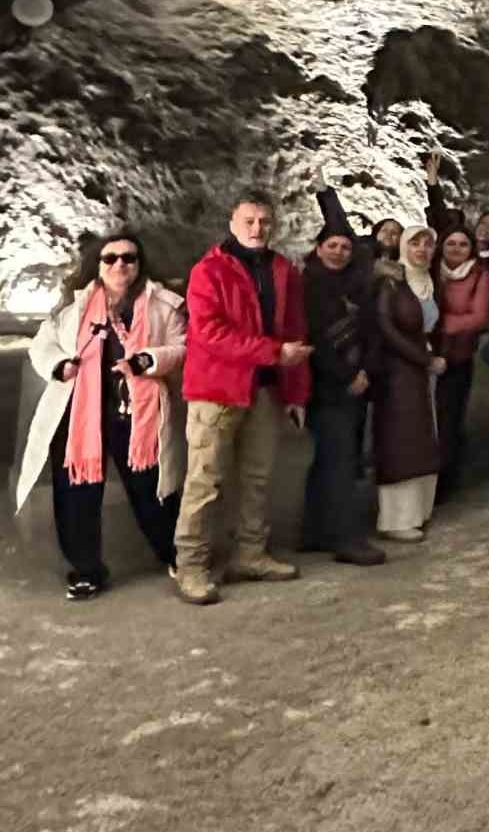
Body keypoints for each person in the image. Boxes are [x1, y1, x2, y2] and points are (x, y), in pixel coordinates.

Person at [16, 233, 187, 600]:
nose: (120, 265)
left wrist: (147, 360)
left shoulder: (162, 304)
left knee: (153, 486)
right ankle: (86, 568)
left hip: (136, 411)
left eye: (129, 258)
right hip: (81, 410)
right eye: (110, 258)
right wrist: (59, 365)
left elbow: (181, 345)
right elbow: (42, 344)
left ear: (140, 263)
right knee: (77, 490)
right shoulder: (73, 307)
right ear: (98, 263)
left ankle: (177, 554)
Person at [173, 191, 312, 605]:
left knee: (257, 478)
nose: (257, 228)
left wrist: (295, 391)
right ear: (232, 223)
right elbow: (209, 333)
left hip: (265, 390)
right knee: (205, 480)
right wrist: (273, 353)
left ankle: (250, 554)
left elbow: (295, 328)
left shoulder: (283, 269)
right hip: (217, 390)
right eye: (249, 220)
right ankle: (191, 566)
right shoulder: (208, 271)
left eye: (265, 221)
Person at [299, 220, 385, 566]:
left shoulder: (356, 286)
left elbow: (370, 330)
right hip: (325, 384)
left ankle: (315, 532)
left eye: (345, 247)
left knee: (332, 458)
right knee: (340, 461)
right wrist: (347, 374)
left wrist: (365, 370)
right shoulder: (306, 287)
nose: (338, 252)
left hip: (356, 381)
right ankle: (347, 538)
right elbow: (313, 340)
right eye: (332, 246)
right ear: (318, 248)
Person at [373, 226, 445, 541]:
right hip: (399, 370)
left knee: (422, 438)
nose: (422, 249)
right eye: (414, 243)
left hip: (422, 368)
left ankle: (418, 512)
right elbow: (386, 326)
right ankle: (395, 520)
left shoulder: (430, 281)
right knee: (401, 440)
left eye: (428, 244)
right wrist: (424, 359)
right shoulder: (391, 281)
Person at [433, 227, 489, 502]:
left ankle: (445, 480)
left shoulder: (479, 275)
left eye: (463, 244)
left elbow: (479, 317)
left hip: (457, 357)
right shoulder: (431, 270)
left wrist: (437, 326)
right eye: (451, 243)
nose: (456, 249)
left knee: (448, 421)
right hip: (424, 358)